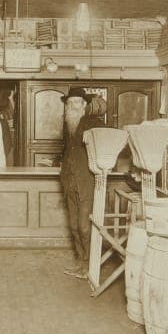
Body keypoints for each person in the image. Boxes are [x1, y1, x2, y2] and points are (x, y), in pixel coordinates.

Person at [58, 88, 103, 279]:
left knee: (85, 227)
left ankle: (90, 265)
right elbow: (67, 151)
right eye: (69, 103)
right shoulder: (68, 125)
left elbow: (109, 143)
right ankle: (81, 262)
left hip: (86, 183)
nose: (72, 106)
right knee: (74, 226)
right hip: (70, 183)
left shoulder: (94, 123)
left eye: (76, 102)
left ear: (84, 105)